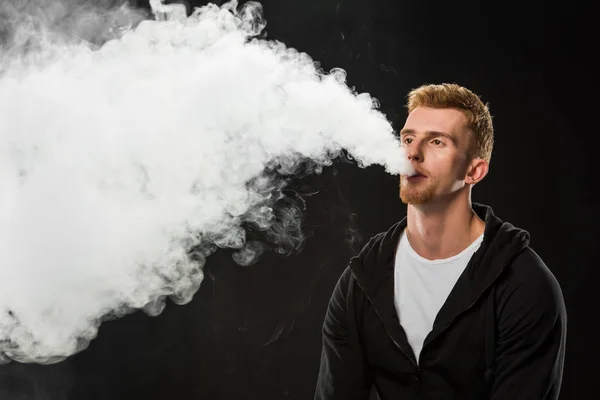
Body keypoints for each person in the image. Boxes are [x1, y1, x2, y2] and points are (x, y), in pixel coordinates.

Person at [314, 83, 567, 399]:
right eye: (408, 139)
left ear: (474, 171)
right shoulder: (363, 278)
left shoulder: (524, 285)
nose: (413, 153)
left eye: (436, 142)